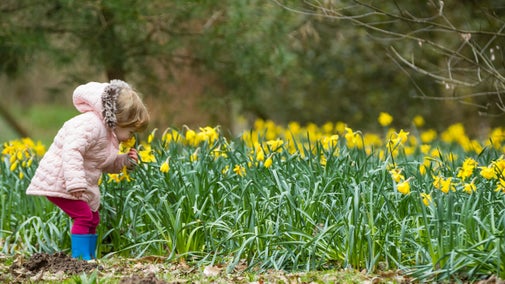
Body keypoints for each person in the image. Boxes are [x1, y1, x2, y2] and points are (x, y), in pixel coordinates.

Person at [26, 79, 150, 260]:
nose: (130, 137)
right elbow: (72, 149)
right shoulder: (91, 124)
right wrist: (74, 182)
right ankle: (81, 260)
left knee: (93, 218)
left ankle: (88, 258)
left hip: (75, 181)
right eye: (131, 131)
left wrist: (125, 161)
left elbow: (103, 163)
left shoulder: (107, 133)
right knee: (84, 216)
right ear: (121, 119)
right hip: (62, 180)